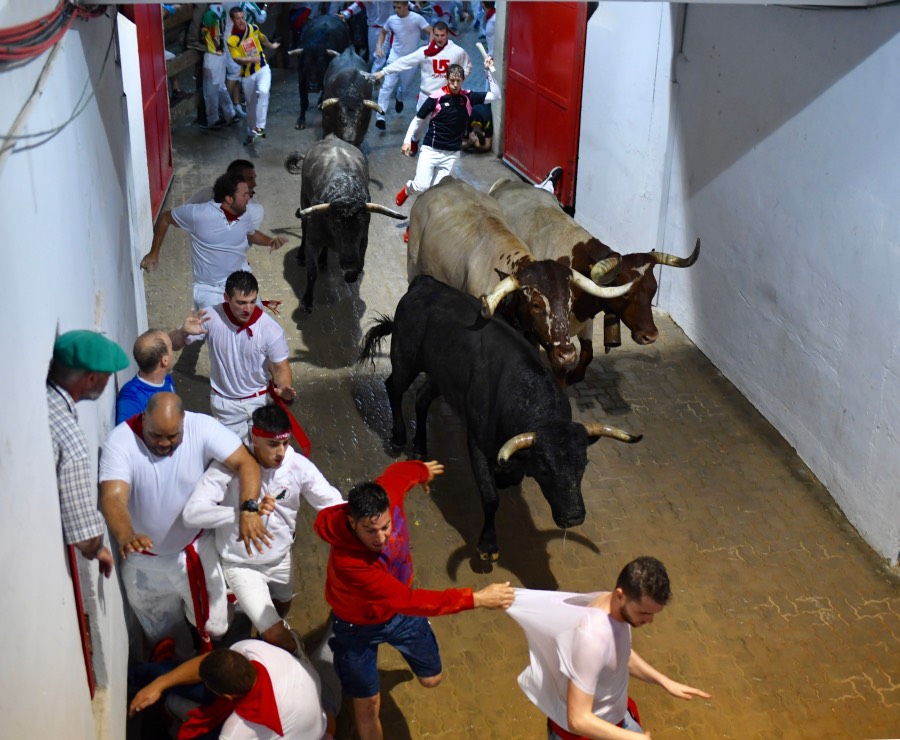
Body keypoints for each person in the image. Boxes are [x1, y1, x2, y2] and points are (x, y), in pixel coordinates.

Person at [314, 459, 516, 740]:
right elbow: (407, 600)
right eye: (370, 531)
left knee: (432, 680)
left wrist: (422, 471)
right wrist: (477, 598)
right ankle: (334, 636)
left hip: (399, 615)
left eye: (385, 526)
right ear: (351, 522)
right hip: (357, 625)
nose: (381, 537)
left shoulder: (388, 495)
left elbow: (399, 474)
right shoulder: (350, 563)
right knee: (368, 707)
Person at [99, 392, 267, 658]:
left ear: (183, 423)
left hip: (192, 550)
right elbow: (112, 497)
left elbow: (246, 463)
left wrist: (249, 508)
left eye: (173, 436)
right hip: (143, 562)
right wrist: (126, 533)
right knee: (164, 636)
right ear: (143, 420)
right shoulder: (121, 441)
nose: (164, 444)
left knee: (215, 626)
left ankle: (222, 631)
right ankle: (183, 671)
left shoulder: (202, 427)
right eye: (156, 436)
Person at [183, 404, 342, 653]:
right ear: (254, 437)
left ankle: (263, 640)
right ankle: (291, 656)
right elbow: (192, 514)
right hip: (240, 565)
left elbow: (331, 503)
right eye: (272, 444)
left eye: (286, 443)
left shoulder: (297, 466)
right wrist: (241, 514)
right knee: (278, 636)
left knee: (281, 608)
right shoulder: (225, 466)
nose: (280, 452)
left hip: (280, 560)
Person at [507, 557, 711, 739]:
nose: (650, 621)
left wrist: (663, 681)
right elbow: (577, 720)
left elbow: (622, 655)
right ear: (620, 595)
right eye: (644, 613)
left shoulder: (613, 605)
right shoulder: (591, 639)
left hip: (615, 720)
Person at [172, 270, 295, 442]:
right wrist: (183, 332)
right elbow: (173, 344)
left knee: (262, 456)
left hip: (259, 401)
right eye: (241, 302)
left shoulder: (270, 329)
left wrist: (284, 388)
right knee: (232, 461)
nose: (248, 309)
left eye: (253, 302)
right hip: (225, 406)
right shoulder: (209, 317)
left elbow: (281, 367)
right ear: (226, 298)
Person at [140, 172, 286, 310]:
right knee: (217, 329)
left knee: (256, 322)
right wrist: (154, 253)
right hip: (210, 289)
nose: (249, 198)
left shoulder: (244, 214)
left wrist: (270, 241)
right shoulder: (198, 214)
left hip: (241, 281)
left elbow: (251, 234)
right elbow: (166, 218)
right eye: (245, 194)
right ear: (229, 199)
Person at [47, 330, 129, 577]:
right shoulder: (70, 438)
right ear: (92, 378)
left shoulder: (43, 401)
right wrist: (96, 547)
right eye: (108, 375)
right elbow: (85, 537)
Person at [129, 639, 329, 739]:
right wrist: (159, 683)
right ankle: (138, 676)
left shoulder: (237, 731)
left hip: (290, 730)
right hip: (309, 704)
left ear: (226, 696)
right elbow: (206, 663)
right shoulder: (253, 649)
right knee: (173, 677)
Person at [394, 58, 499, 211]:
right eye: (451, 81)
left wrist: (488, 71)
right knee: (421, 186)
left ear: (463, 80)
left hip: (451, 154)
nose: (455, 85)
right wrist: (407, 141)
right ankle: (409, 188)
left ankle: (414, 226)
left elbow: (495, 96)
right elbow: (418, 120)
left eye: (458, 81)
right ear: (446, 79)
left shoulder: (468, 97)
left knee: (435, 195)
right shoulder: (435, 98)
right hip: (431, 150)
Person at [371, 21, 471, 108]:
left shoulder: (458, 51)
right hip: (426, 99)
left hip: (447, 98)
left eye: (442, 35)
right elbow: (404, 62)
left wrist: (458, 80)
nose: (439, 39)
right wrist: (383, 72)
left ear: (447, 34)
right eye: (437, 35)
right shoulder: (424, 52)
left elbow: (467, 66)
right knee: (418, 128)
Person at [372, 1, 431, 130]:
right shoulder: (392, 20)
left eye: (398, 7)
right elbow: (383, 32)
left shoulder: (417, 18)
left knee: (404, 88)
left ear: (406, 6)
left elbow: (430, 31)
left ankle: (399, 98)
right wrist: (379, 47)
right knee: (387, 86)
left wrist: (431, 48)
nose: (396, 10)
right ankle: (380, 116)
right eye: (394, 7)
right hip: (395, 57)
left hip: (411, 59)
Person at [227, 6, 280, 145]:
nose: (241, 21)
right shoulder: (232, 40)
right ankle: (251, 133)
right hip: (247, 75)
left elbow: (262, 38)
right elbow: (236, 59)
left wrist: (271, 46)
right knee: (250, 107)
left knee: (263, 92)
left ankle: (260, 127)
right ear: (232, 20)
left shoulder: (253, 28)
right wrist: (250, 59)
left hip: (262, 69)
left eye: (242, 17)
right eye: (237, 19)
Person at [200, 3, 239, 130]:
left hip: (212, 54)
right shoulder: (221, 11)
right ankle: (230, 114)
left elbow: (203, 36)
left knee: (211, 90)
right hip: (221, 53)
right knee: (221, 86)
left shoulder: (209, 15)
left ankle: (213, 120)